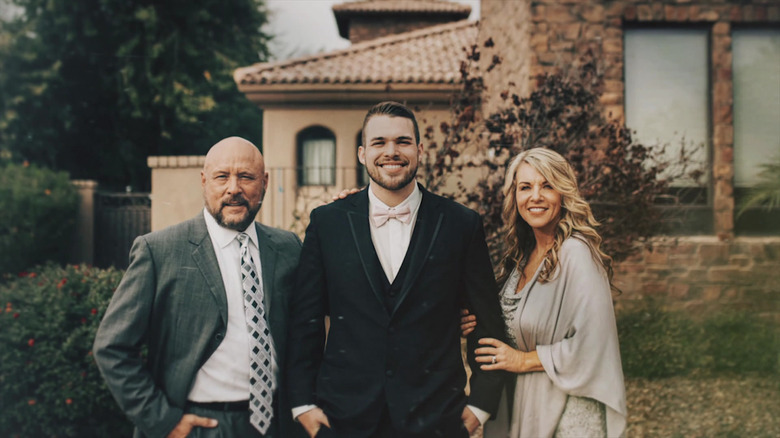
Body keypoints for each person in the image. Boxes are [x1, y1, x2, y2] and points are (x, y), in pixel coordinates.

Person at [287, 101, 508, 438]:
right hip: (343, 421)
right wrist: (303, 404)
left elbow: (487, 323)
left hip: (438, 419)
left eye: (403, 142)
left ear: (419, 150)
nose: (391, 152)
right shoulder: (327, 223)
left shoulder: (461, 224)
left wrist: (480, 405)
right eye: (379, 142)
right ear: (362, 153)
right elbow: (306, 321)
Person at [93, 137, 305, 438]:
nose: (234, 189)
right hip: (199, 426)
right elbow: (111, 347)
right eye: (222, 177)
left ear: (265, 182)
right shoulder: (159, 251)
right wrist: (163, 421)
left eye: (246, 176)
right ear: (204, 181)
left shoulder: (288, 248)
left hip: (276, 425)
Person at [467, 148, 627, 437]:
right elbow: (515, 324)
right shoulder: (521, 258)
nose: (535, 196)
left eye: (547, 185)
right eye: (525, 187)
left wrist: (521, 360)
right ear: (514, 197)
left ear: (563, 193)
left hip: (566, 412)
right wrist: (471, 321)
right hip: (518, 406)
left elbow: (594, 344)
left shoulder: (576, 253)